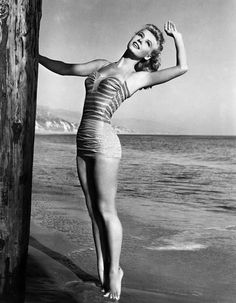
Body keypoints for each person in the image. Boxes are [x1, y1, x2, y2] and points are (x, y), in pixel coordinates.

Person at [39, 20, 188, 300]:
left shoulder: (137, 77)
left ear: (147, 56)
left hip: (105, 144)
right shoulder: (101, 64)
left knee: (107, 211)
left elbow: (182, 68)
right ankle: (102, 269)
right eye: (140, 36)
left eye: (147, 44)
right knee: (93, 211)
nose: (140, 41)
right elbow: (64, 68)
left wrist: (177, 39)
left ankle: (115, 272)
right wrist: (35, 55)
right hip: (82, 141)